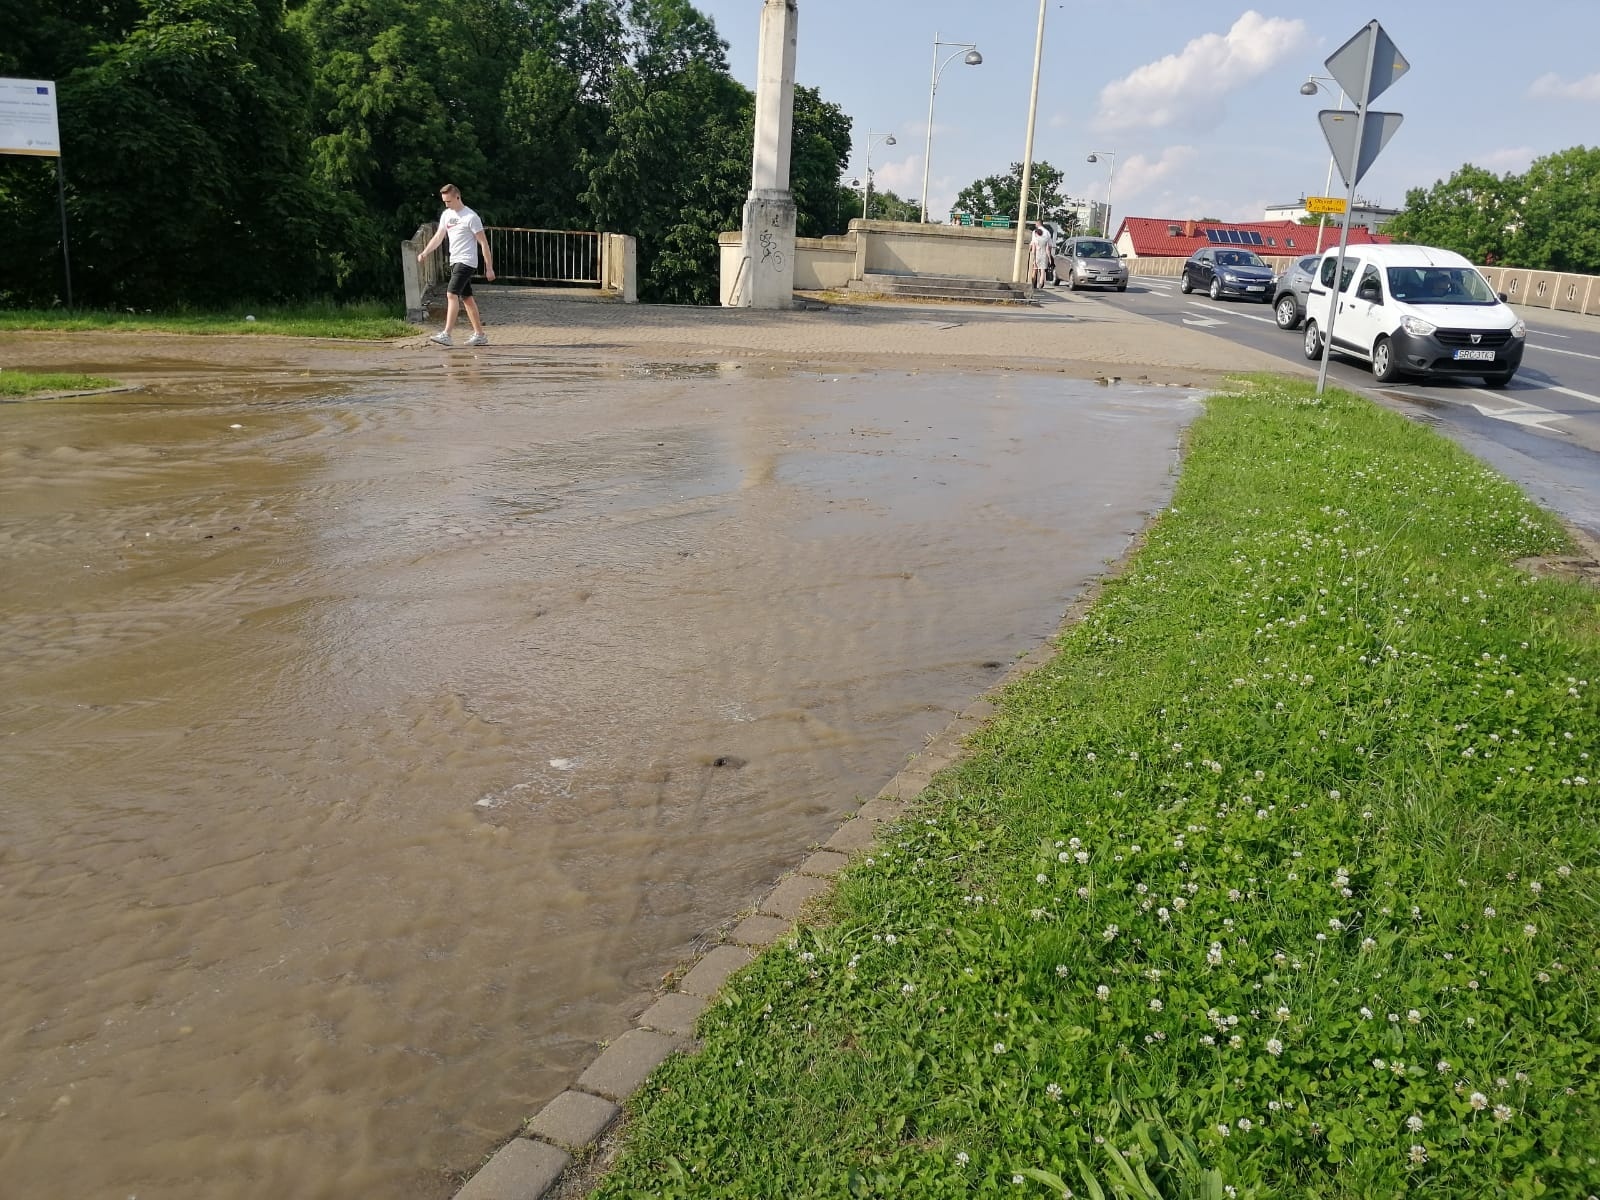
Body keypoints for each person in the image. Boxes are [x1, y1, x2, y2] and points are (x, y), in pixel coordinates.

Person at [417, 183, 495, 347]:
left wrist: (489, 267)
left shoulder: (471, 217)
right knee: (466, 298)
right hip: (455, 260)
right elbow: (438, 236)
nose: (447, 205)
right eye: (444, 202)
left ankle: (447, 334)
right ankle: (480, 335)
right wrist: (425, 252)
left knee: (451, 294)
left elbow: (483, 243)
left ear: (457, 197)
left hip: (467, 261)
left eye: (449, 201)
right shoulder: (446, 215)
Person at [1029, 222, 1053, 291]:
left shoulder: (1035, 241)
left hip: (1036, 256)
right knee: (1042, 272)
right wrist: (1049, 258)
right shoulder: (1046, 239)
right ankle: (1040, 286)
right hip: (1044, 256)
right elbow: (1048, 249)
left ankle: (1032, 285)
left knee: (1034, 270)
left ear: (1037, 234)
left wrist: (1032, 257)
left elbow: (1033, 250)